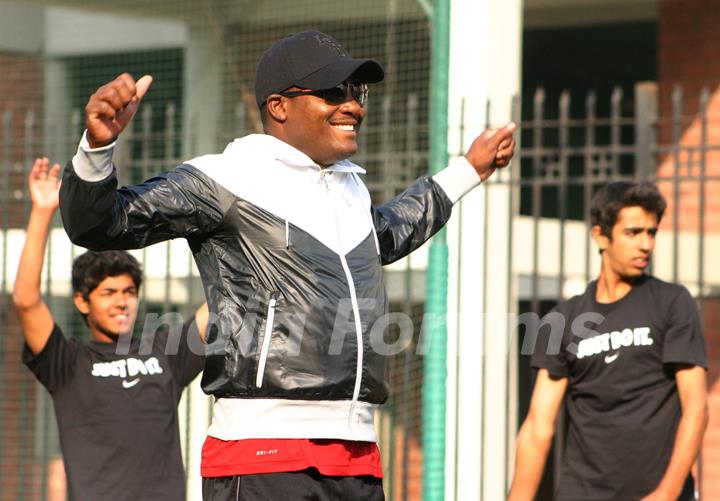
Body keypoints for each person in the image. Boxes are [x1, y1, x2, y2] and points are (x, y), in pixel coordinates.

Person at [58, 31, 516, 500]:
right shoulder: (224, 178)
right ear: (279, 106)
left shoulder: (349, 188)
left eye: (356, 93)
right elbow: (100, 225)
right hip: (262, 456)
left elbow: (390, 231)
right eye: (334, 92)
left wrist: (468, 170)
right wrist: (96, 149)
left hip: (358, 455)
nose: (354, 106)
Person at [13, 158, 206, 501]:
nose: (122, 302)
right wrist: (43, 212)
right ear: (82, 302)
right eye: (109, 293)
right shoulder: (67, 363)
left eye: (129, 292)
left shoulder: (164, 352)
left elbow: (218, 310)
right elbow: (27, 301)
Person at [508, 182, 708, 501]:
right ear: (601, 235)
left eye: (651, 232)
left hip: (660, 492)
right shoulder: (564, 319)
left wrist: (667, 493)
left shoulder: (672, 303)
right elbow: (537, 428)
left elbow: (696, 407)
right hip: (585, 491)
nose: (646, 244)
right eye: (633, 232)